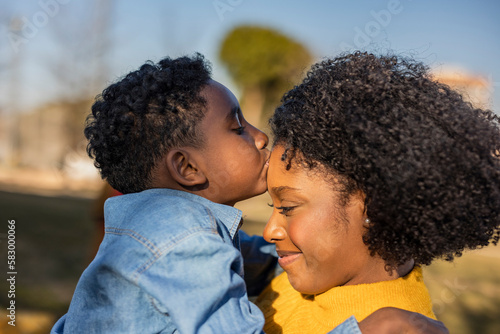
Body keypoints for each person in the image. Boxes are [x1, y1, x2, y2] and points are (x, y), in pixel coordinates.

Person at [51, 53, 448, 334]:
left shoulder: (167, 226)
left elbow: (255, 258)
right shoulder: (181, 237)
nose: (260, 137)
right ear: (187, 168)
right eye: (237, 127)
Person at [255, 52, 500, 333]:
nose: (270, 230)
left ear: (373, 206)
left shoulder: (395, 327)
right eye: (272, 207)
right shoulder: (301, 272)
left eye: (287, 208)